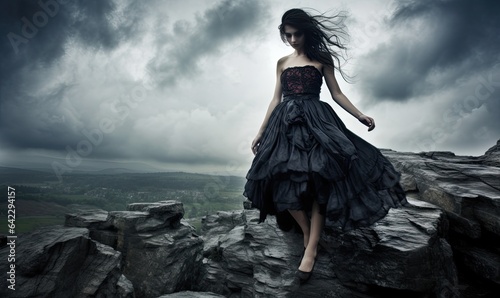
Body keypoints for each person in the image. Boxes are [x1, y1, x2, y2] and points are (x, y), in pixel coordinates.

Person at [243, 8, 408, 283]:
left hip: (318, 121)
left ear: (307, 32)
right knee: (282, 179)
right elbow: (275, 99)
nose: (293, 40)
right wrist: (261, 131)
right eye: (288, 35)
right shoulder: (282, 62)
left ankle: (311, 249)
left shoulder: (322, 59)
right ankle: (308, 233)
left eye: (297, 34)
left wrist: (360, 115)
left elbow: (337, 93)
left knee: (322, 180)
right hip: (285, 123)